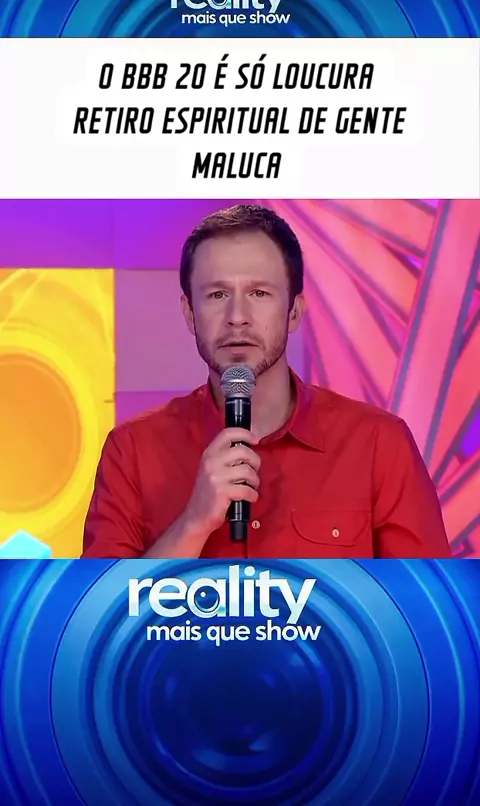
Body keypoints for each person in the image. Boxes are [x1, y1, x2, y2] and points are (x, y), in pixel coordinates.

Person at [81, 203, 451, 559]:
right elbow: (101, 602)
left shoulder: (379, 445)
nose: (237, 316)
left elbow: (428, 600)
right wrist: (193, 524)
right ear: (190, 314)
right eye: (217, 294)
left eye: (259, 293)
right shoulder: (132, 451)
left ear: (294, 312)